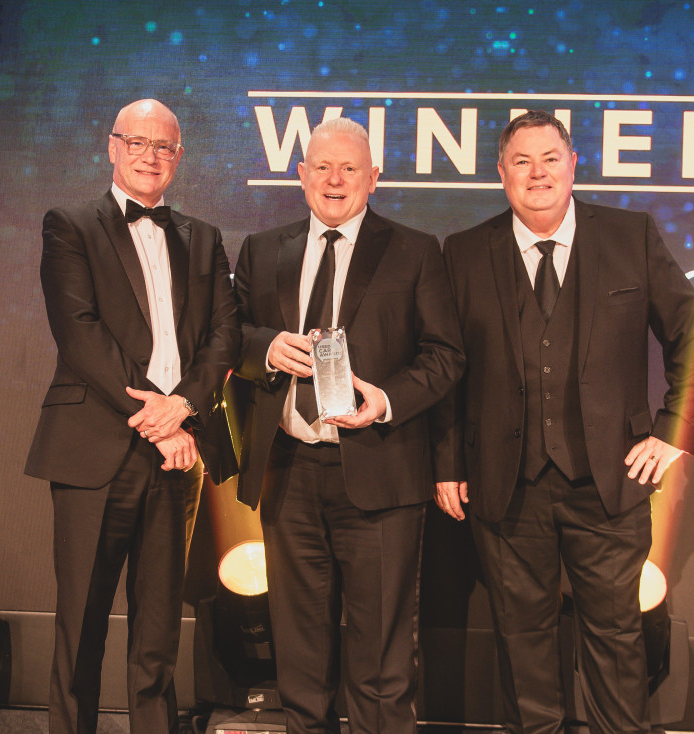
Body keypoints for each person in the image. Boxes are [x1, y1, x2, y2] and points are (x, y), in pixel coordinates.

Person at [432, 110, 694, 734]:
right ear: (500, 173)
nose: (538, 173)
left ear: (573, 164)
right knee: (521, 645)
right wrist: (448, 461)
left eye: (550, 159)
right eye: (522, 162)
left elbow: (691, 328)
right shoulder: (465, 251)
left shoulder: (629, 235)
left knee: (616, 645)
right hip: (506, 487)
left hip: (607, 484)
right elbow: (447, 366)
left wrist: (673, 431)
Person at [233, 117, 465, 734]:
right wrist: (264, 347)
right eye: (322, 167)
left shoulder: (416, 250)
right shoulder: (262, 249)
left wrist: (385, 400)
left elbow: (446, 355)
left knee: (382, 660)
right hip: (288, 471)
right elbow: (227, 335)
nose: (335, 180)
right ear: (301, 174)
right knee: (300, 656)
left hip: (381, 469)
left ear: (374, 178)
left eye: (350, 168)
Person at [24, 98, 239, 734]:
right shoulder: (70, 224)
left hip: (178, 460)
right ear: (113, 148)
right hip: (98, 449)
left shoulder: (203, 237)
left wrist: (184, 409)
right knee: (81, 626)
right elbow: (80, 334)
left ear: (179, 158)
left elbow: (224, 336)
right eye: (137, 143)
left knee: (157, 631)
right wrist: (158, 417)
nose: (150, 156)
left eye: (164, 146)